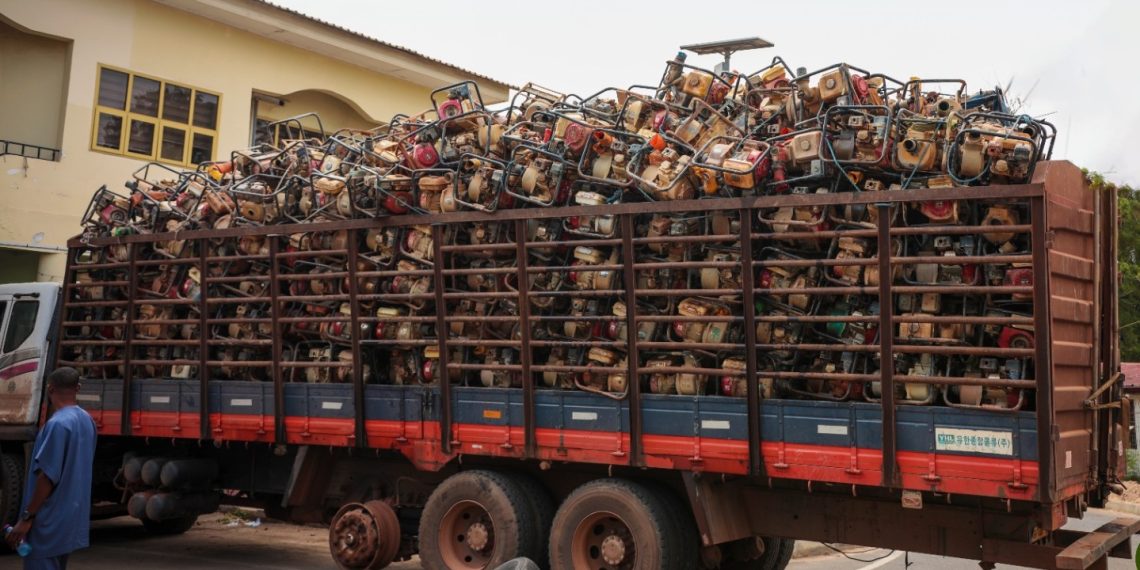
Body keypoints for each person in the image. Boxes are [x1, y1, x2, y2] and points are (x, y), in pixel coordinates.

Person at [5, 367, 97, 570]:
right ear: (78, 388)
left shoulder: (57, 424)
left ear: (50, 389)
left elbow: (47, 477)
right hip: (69, 520)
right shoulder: (86, 420)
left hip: (47, 522)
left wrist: (27, 517)